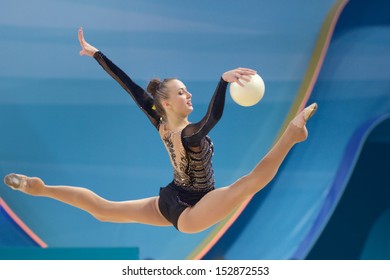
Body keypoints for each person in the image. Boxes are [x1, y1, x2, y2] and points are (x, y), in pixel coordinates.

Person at [3, 28, 317, 234]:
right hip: (191, 210)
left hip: (172, 198)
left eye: (188, 90)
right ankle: (291, 134)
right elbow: (214, 116)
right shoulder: (188, 134)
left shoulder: (161, 124)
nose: (189, 95)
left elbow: (130, 87)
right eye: (182, 92)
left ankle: (39, 188)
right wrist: (222, 81)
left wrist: (97, 55)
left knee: (103, 210)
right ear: (165, 103)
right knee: (246, 185)